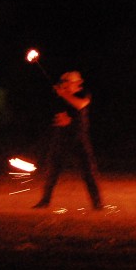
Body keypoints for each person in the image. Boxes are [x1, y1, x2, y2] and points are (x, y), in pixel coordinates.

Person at [33, 71, 103, 210]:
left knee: (88, 171)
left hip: (79, 138)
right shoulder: (60, 96)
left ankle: (97, 203)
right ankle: (45, 201)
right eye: (63, 82)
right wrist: (61, 117)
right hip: (62, 137)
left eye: (67, 82)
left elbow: (80, 105)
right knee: (52, 170)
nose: (64, 85)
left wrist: (63, 95)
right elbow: (57, 114)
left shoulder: (83, 94)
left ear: (77, 83)